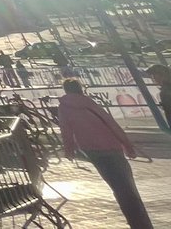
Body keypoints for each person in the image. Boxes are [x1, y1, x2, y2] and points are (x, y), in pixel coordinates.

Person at [57, 78, 152, 229]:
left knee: (115, 185)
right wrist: (127, 145)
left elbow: (66, 131)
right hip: (112, 146)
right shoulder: (89, 103)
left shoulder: (63, 107)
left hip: (92, 150)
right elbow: (111, 123)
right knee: (127, 185)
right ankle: (142, 222)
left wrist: (69, 150)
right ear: (80, 88)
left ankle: (133, 220)